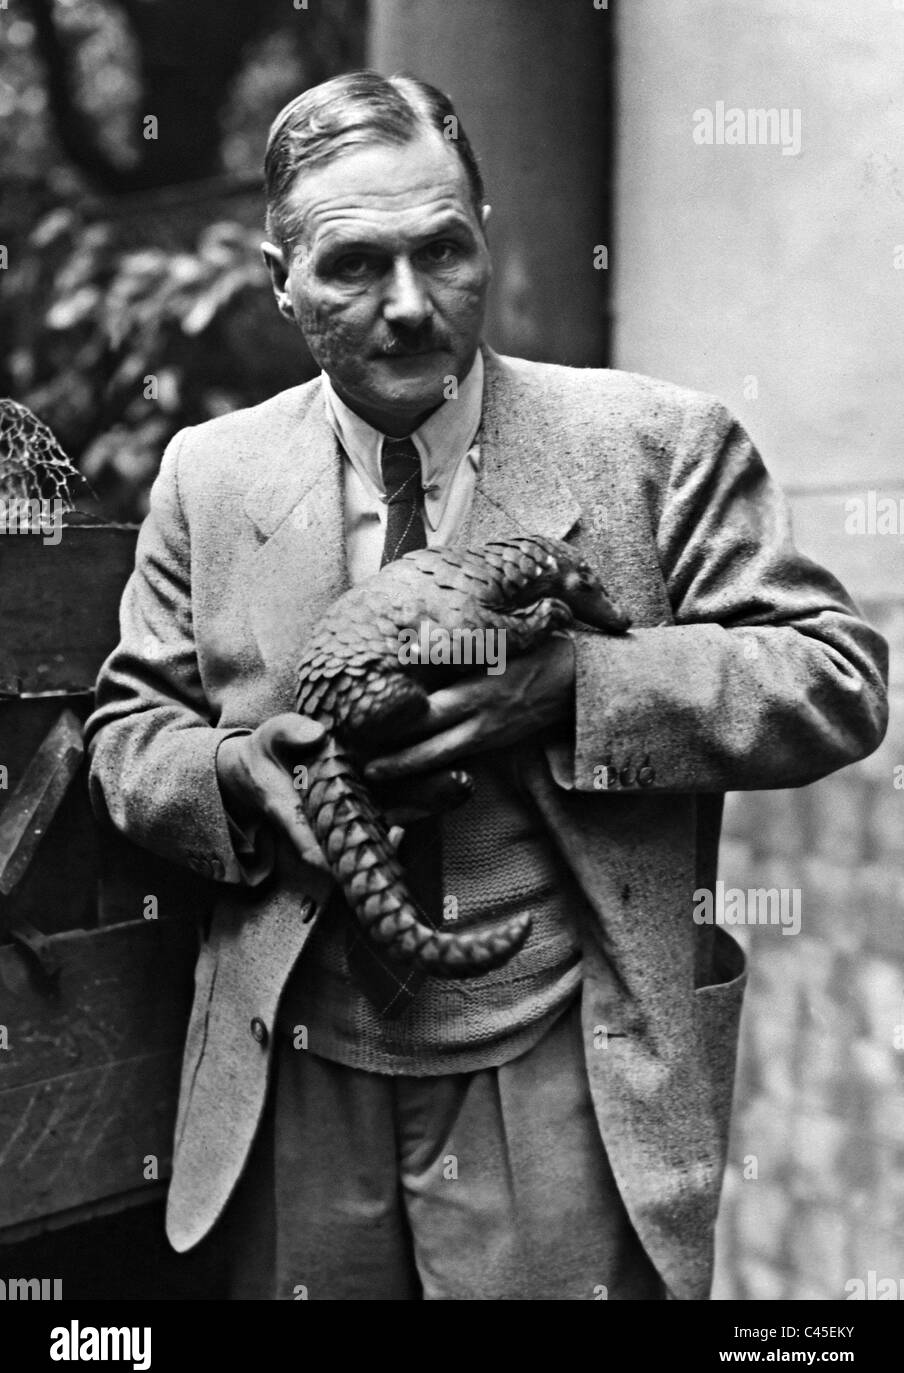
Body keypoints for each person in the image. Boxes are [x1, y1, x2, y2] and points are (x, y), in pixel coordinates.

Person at [85, 71, 888, 1301]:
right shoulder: (212, 473)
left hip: (563, 1061)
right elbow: (130, 729)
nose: (409, 306)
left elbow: (835, 677)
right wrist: (234, 778)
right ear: (279, 279)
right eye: (354, 266)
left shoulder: (656, 445)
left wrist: (576, 686)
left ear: (484, 241)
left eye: (443, 251)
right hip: (298, 1064)